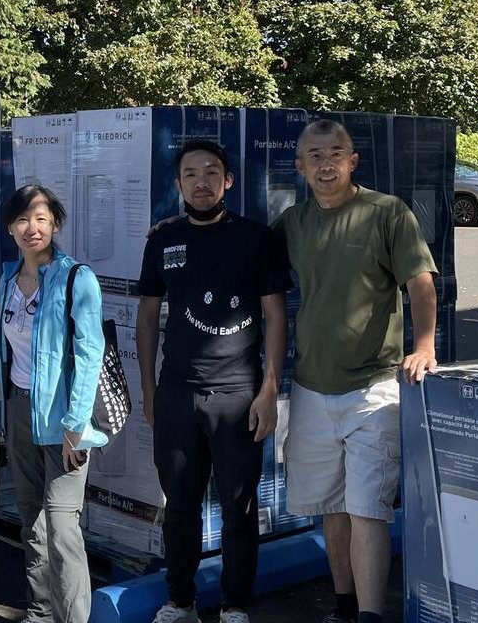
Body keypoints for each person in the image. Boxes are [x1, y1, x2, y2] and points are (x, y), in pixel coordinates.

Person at [275, 119, 438, 623]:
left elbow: (421, 282)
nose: (326, 164)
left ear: (353, 161)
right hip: (310, 389)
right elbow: (237, 257)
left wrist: (425, 345)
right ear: (300, 166)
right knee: (332, 506)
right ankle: (345, 608)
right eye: (315, 155)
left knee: (368, 508)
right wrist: (171, 232)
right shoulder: (292, 223)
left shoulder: (387, 212)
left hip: (374, 387)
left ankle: (370, 615)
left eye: (335, 153)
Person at [137, 139, 290, 623]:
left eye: (211, 172)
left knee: (238, 508)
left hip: (238, 394)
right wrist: (149, 390)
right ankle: (179, 599)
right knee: (179, 506)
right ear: (178, 183)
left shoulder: (257, 238)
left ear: (227, 181)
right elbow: (146, 317)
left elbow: (275, 316)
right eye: (190, 174)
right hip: (177, 392)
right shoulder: (163, 239)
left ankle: (234, 604)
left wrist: (269, 388)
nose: (200, 182)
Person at [0, 184, 106, 623]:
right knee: (31, 522)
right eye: (22, 219)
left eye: (41, 218)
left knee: (62, 530)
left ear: (55, 223)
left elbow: (89, 352)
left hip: (64, 421)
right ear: (10, 227)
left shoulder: (77, 277)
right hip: (20, 412)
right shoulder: (6, 279)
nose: (32, 227)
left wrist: (76, 425)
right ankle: (41, 613)